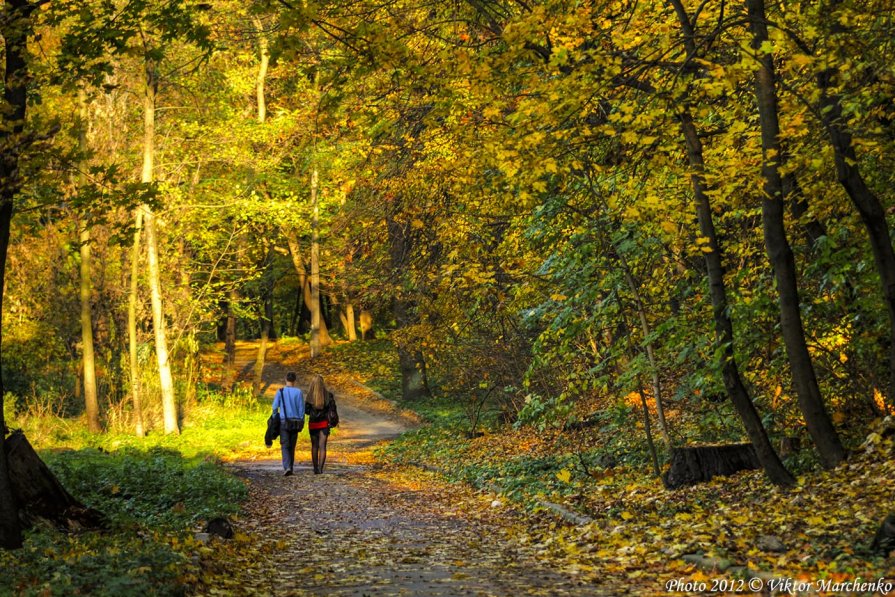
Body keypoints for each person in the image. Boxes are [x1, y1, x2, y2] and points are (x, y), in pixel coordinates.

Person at [272, 372, 305, 476]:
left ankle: (287, 467)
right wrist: (302, 420)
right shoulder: (299, 392)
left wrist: (274, 417)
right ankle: (291, 466)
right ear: (295, 381)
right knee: (292, 445)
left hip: (284, 422)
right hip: (295, 422)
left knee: (285, 445)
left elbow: (274, 407)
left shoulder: (280, 391)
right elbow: (301, 409)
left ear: (285, 379)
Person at [305, 374, 335, 474]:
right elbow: (333, 410)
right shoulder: (329, 395)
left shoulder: (310, 396)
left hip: (313, 424)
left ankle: (315, 469)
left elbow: (307, 411)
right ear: (323, 383)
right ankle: (321, 469)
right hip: (324, 424)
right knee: (322, 446)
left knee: (314, 446)